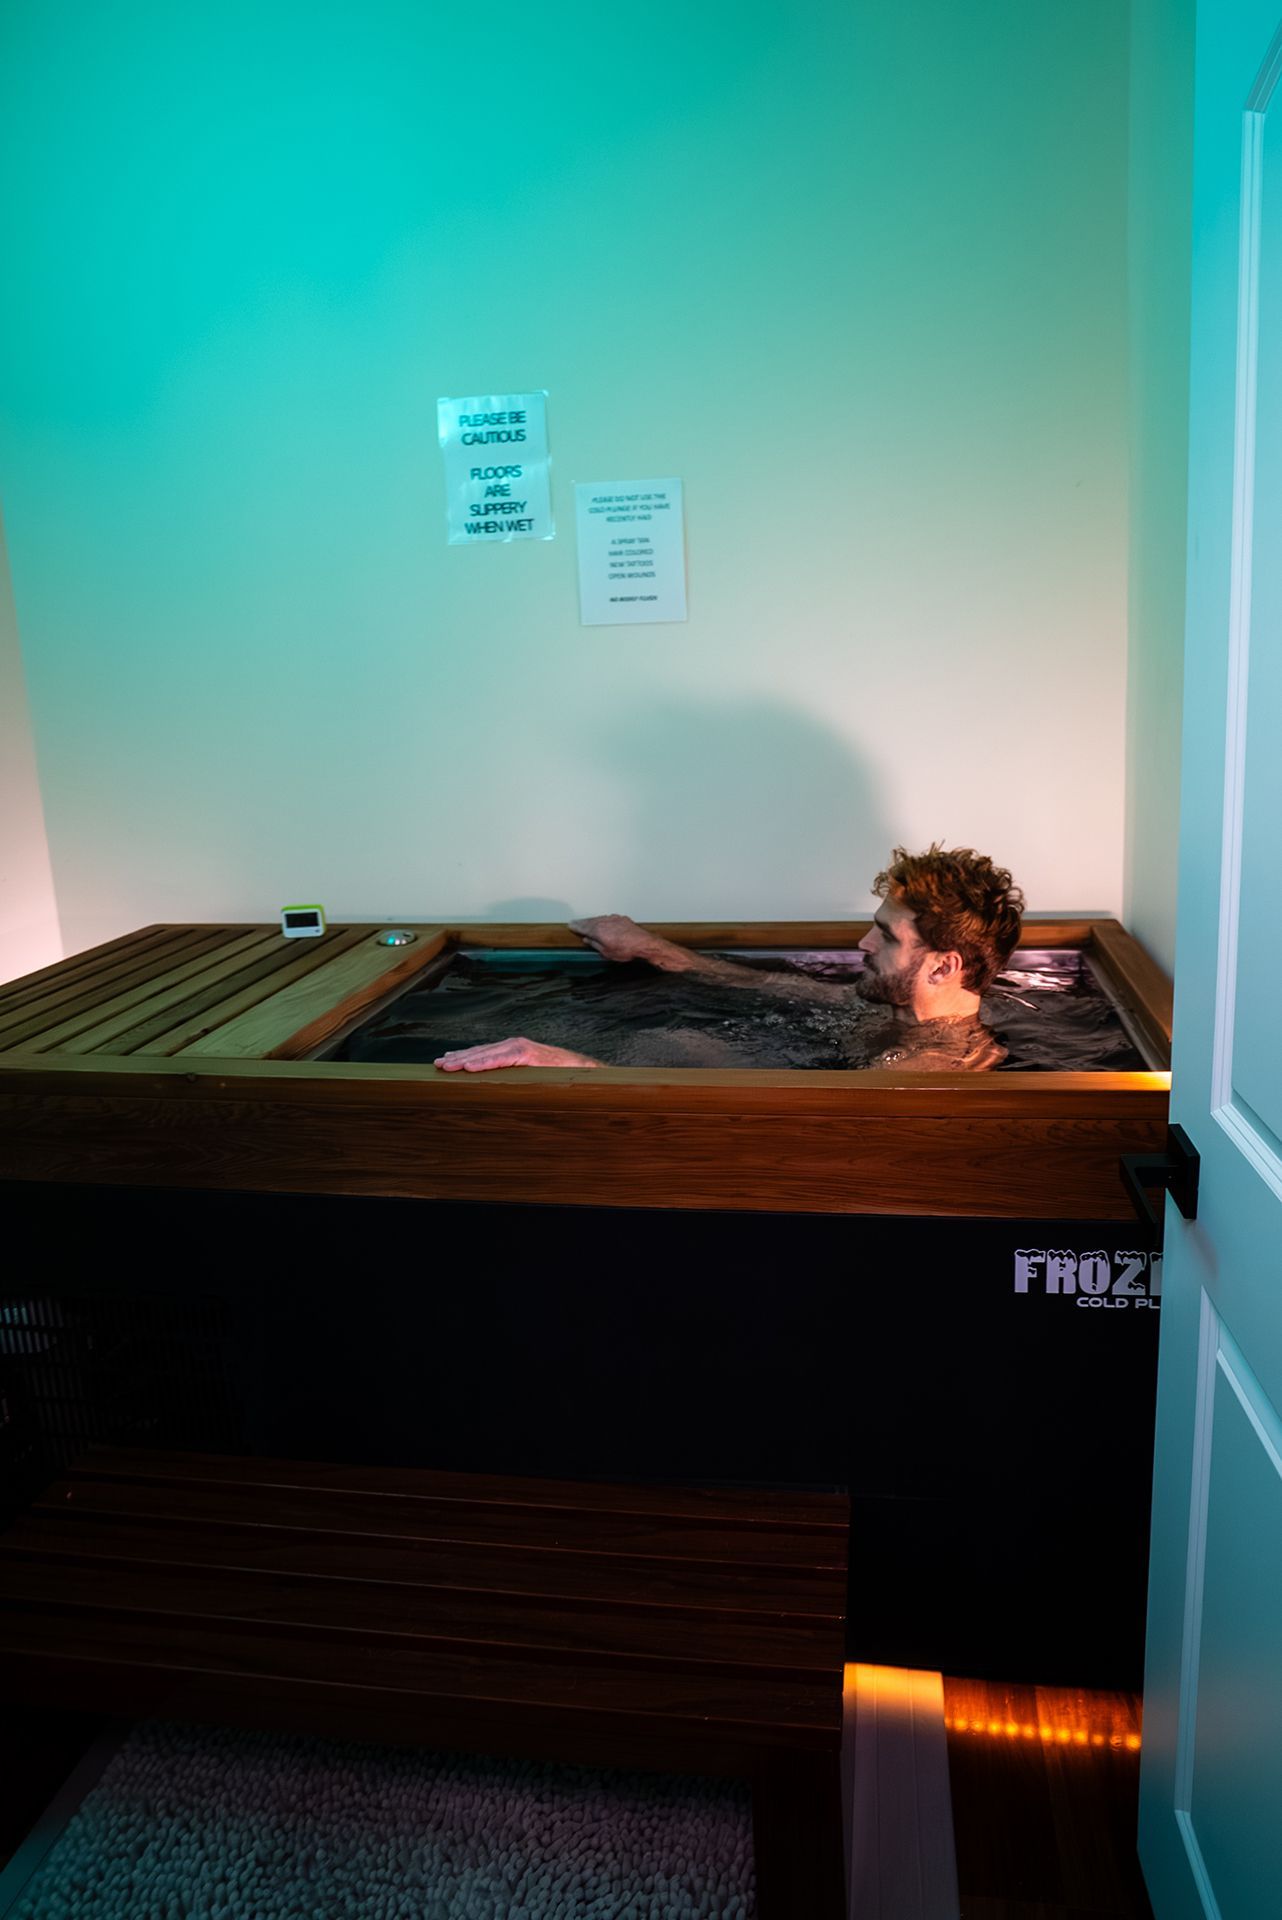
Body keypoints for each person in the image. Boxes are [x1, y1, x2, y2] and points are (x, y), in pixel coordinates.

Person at [433, 843, 1025, 1073]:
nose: (862, 946)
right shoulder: (894, 1011)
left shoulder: (930, 1070)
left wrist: (576, 1072)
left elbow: (787, 1138)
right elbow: (775, 987)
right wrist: (657, 951)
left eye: (886, 938)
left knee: (673, 1049)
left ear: (943, 966)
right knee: (679, 1044)